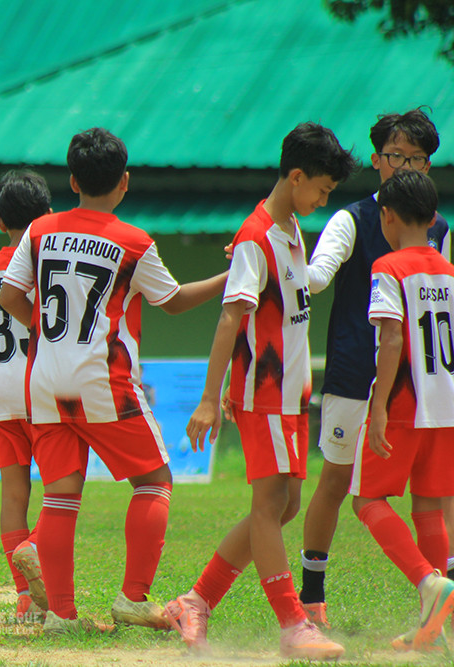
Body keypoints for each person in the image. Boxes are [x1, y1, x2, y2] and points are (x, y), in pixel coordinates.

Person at [0, 127, 228, 635]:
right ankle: (131, 599)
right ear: (124, 182)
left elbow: (12, 296)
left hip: (43, 381)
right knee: (155, 481)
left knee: (60, 494)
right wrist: (228, 280)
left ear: (73, 180)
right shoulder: (132, 241)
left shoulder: (39, 231)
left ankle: (60, 618)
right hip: (103, 380)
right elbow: (173, 301)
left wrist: (44, 332)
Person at [163, 122, 357, 659]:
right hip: (264, 394)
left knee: (286, 504)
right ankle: (294, 625)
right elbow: (230, 319)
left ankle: (195, 601)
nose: (323, 199)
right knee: (270, 503)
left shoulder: (290, 227)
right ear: (296, 177)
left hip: (291, 394)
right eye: (321, 189)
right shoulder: (255, 237)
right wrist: (210, 396)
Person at [300, 108, 452, 625]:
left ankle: (433, 598)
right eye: (395, 156)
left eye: (415, 158)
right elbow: (318, 276)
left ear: (428, 167)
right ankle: (312, 598)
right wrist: (284, 267)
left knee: (418, 497)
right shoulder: (352, 218)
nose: (404, 165)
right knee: (337, 481)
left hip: (414, 390)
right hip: (354, 374)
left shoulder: (440, 230)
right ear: (376, 159)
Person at [350, 169, 454, 652]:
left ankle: (426, 582)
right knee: (430, 505)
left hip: (406, 401)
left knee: (366, 499)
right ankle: (431, 629)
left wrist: (378, 408)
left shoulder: (388, 267)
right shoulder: (450, 272)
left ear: (386, 216)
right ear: (434, 217)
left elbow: (391, 337)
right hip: (448, 402)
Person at [0, 169, 52, 623]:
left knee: (13, 494)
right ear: (50, 214)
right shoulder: (53, 259)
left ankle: (24, 598)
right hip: (46, 390)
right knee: (62, 490)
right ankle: (35, 548)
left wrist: (1, 370)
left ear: (0, 221)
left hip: (1, 391)